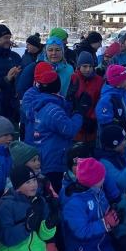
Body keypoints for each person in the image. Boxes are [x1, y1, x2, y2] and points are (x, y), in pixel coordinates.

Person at [59, 158, 126, 251]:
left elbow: (104, 211)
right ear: (93, 180)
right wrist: (105, 223)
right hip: (82, 249)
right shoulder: (74, 202)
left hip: (102, 244)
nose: (104, 178)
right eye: (102, 176)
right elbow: (81, 231)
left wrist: (113, 213)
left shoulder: (98, 191)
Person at [0, 164, 58, 251]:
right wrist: (26, 227)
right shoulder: (7, 205)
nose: (33, 185)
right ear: (17, 185)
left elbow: (44, 236)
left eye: (34, 180)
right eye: (28, 182)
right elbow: (6, 237)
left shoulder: (40, 201)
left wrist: (49, 225)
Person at [30, 63, 83, 193]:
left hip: (47, 155)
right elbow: (69, 130)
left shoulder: (44, 104)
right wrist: (79, 114)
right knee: (55, 193)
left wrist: (69, 104)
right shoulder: (52, 109)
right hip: (54, 160)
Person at [69, 51, 104, 146]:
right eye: (84, 66)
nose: (88, 69)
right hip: (75, 125)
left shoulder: (99, 81)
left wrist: (93, 118)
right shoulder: (73, 78)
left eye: (90, 66)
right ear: (79, 66)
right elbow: (69, 101)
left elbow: (100, 101)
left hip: (91, 124)